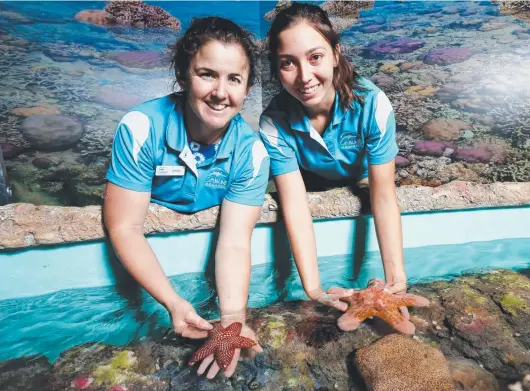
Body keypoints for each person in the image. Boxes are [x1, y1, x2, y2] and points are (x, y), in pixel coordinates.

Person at [103, 16, 267, 379]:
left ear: (247, 88)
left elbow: (236, 242)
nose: (221, 92)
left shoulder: (252, 153)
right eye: (207, 73)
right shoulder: (142, 126)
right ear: (182, 75)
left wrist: (233, 321)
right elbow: (125, 226)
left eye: (234, 79)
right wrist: (173, 303)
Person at [260, 3, 424, 317]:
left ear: (336, 54)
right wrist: (314, 290)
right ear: (276, 68)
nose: (304, 76)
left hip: (363, 177)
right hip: (309, 181)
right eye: (288, 63)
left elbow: (384, 196)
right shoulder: (272, 123)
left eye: (315, 57)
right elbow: (294, 204)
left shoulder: (372, 104)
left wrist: (396, 279)